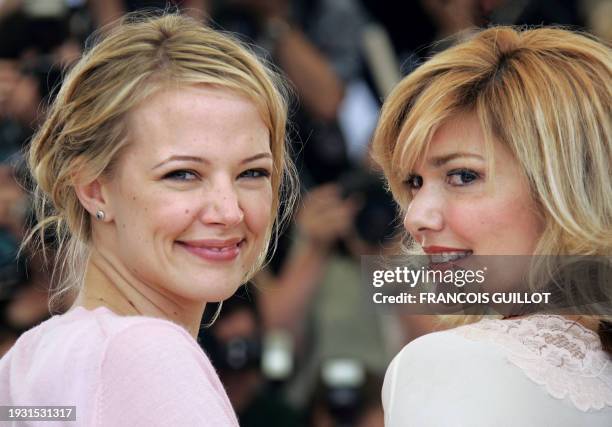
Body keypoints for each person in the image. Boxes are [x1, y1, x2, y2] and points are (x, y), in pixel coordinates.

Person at [0, 13, 297, 426]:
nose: (229, 211)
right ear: (93, 188)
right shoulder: (146, 353)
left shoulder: (27, 360)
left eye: (253, 173)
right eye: (182, 174)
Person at [371, 26, 612, 425]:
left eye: (463, 176)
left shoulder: (448, 365)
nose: (415, 218)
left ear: (569, 186)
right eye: (413, 183)